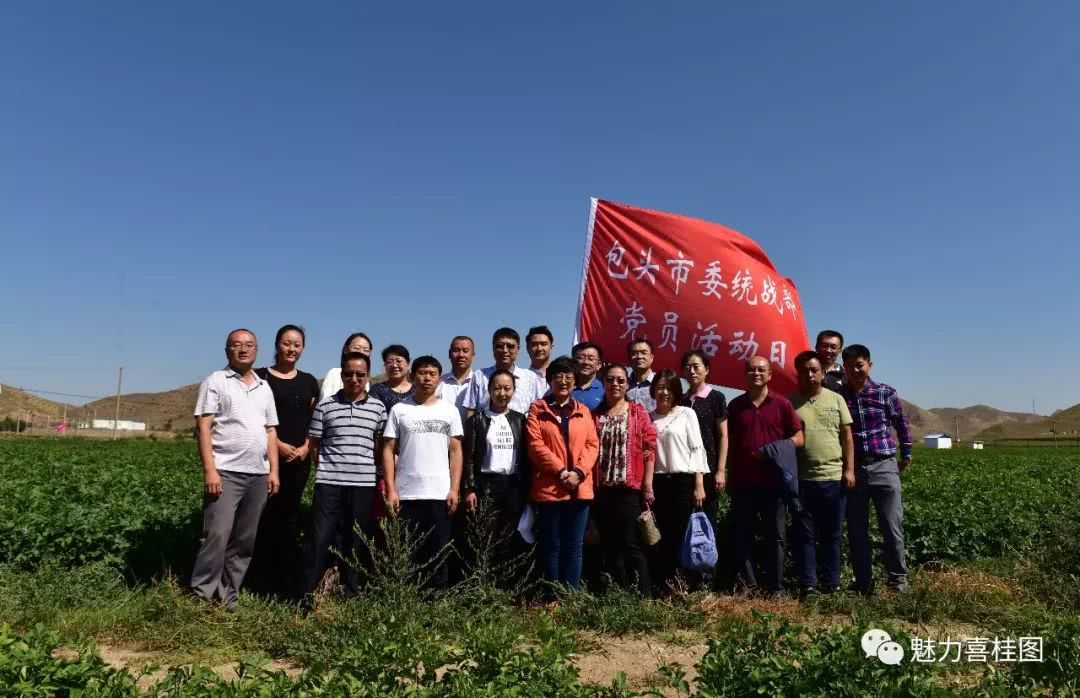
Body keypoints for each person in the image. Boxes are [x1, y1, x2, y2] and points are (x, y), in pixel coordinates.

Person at [191, 329, 280, 611]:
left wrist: (273, 471)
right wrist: (210, 471)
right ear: (227, 350)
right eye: (236, 345)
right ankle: (203, 595)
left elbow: (270, 432)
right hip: (226, 472)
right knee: (217, 535)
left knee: (244, 540)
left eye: (249, 345)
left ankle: (229, 596)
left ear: (257, 350)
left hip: (257, 474)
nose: (243, 349)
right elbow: (204, 426)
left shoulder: (264, 387)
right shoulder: (216, 381)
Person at [301, 352, 387, 601]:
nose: (354, 379)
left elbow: (380, 446)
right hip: (329, 483)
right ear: (341, 376)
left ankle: (352, 591)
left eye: (360, 375)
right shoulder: (325, 406)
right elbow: (315, 444)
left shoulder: (378, 408)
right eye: (348, 374)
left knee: (357, 539)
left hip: (363, 484)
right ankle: (309, 593)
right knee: (319, 538)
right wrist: (325, 470)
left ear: (367, 377)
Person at [383, 356, 464, 591]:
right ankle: (409, 597)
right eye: (422, 373)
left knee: (439, 549)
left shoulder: (449, 411)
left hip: (440, 492)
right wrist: (391, 488)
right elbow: (387, 449)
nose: (427, 378)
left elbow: (456, 451)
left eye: (432, 374)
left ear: (439, 379)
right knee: (409, 548)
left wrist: (455, 489)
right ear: (412, 376)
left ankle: (437, 599)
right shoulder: (399, 410)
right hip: (407, 493)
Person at [251, 324, 320, 597]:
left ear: (302, 348)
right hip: (264, 458)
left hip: (299, 460)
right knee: (261, 516)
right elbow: (253, 418)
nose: (291, 349)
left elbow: (316, 421)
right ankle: (257, 577)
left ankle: (283, 580)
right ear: (277, 344)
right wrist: (277, 446)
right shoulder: (260, 377)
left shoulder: (308, 381)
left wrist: (306, 447)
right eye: (287, 343)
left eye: (297, 345)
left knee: (289, 516)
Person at [726, 356, 803, 597]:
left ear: (770, 375)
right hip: (743, 482)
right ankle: (748, 585)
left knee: (776, 537)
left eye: (761, 370)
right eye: (751, 370)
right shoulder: (735, 406)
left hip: (774, 483)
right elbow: (729, 443)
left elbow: (799, 438)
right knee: (743, 535)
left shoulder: (781, 404)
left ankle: (776, 587)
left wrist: (774, 449)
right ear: (745, 375)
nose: (756, 373)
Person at [840, 344, 912, 594]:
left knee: (892, 526)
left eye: (859, 364)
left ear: (869, 365)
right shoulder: (840, 395)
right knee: (857, 529)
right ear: (844, 368)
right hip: (853, 468)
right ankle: (864, 582)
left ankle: (898, 580)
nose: (855, 370)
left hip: (884, 464)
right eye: (849, 366)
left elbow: (901, 423)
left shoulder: (885, 392)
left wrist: (907, 452)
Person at [526, 356, 599, 598]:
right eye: (558, 375)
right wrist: (560, 471)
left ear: (575, 381)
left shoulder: (583, 411)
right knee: (552, 546)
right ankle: (552, 597)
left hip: (580, 488)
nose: (564, 380)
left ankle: (572, 597)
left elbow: (592, 445)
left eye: (569, 376)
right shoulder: (538, 409)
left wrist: (578, 473)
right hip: (550, 487)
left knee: (575, 546)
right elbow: (536, 446)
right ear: (549, 380)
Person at [789, 351, 854, 597]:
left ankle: (832, 581)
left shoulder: (836, 399)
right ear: (798, 373)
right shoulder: (790, 402)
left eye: (814, 370)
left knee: (833, 534)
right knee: (804, 535)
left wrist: (848, 469)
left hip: (833, 477)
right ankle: (808, 583)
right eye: (804, 370)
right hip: (803, 480)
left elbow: (846, 437)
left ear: (822, 372)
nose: (809, 374)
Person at [592, 364, 656, 597]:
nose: (615, 384)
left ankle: (644, 596)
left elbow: (649, 448)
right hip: (602, 490)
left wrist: (647, 485)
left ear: (627, 384)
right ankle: (618, 595)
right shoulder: (596, 415)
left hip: (630, 489)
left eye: (620, 380)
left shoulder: (637, 412)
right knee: (610, 544)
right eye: (610, 380)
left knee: (632, 544)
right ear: (604, 383)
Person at [461, 369, 530, 571]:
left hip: (513, 486)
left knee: (509, 536)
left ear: (513, 391)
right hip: (486, 486)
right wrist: (470, 488)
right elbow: (469, 458)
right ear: (489, 391)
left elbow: (525, 457)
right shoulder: (476, 420)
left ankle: (507, 586)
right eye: (497, 388)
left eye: (507, 388)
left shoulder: (520, 420)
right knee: (485, 536)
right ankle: (483, 584)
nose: (502, 393)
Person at [648, 369, 709, 593]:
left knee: (682, 534)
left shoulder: (686, 414)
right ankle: (665, 584)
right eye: (660, 387)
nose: (664, 392)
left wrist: (699, 484)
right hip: (657, 482)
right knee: (660, 536)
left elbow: (697, 449)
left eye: (669, 388)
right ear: (653, 390)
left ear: (676, 392)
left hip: (683, 482)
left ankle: (687, 584)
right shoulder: (648, 417)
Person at [679, 351, 728, 529]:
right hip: (684, 469)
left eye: (696, 366)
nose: (691, 371)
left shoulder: (716, 397)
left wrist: (721, 470)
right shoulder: (680, 400)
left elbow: (723, 435)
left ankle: (708, 557)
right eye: (687, 367)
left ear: (706, 369)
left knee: (707, 521)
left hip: (709, 467)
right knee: (685, 523)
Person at [463, 328, 545, 417]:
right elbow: (471, 411)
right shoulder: (479, 376)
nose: (505, 350)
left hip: (521, 429)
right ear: (493, 347)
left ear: (518, 349)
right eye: (500, 346)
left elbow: (539, 411)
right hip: (485, 429)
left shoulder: (531, 378)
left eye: (510, 346)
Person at [320, 333, 373, 401]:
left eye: (366, 350)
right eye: (356, 348)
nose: (360, 352)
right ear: (345, 349)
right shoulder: (334, 373)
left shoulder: (371, 384)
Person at [438, 336, 478, 419]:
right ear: (449, 354)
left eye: (465, 351)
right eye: (456, 350)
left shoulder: (479, 383)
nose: (461, 355)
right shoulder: (439, 383)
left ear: (473, 356)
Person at [369, 344, 415, 412]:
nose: (394, 365)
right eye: (389, 362)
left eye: (398, 361)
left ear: (408, 364)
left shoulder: (417, 390)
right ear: (385, 365)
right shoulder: (377, 390)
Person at [570, 341, 605, 411]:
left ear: (599, 365)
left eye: (591, 359)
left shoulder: (605, 390)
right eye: (580, 358)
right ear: (573, 362)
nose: (585, 362)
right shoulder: (563, 388)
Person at [625, 339, 657, 412]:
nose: (639, 356)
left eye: (643, 353)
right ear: (629, 358)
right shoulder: (623, 384)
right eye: (634, 353)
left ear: (651, 357)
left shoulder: (660, 384)